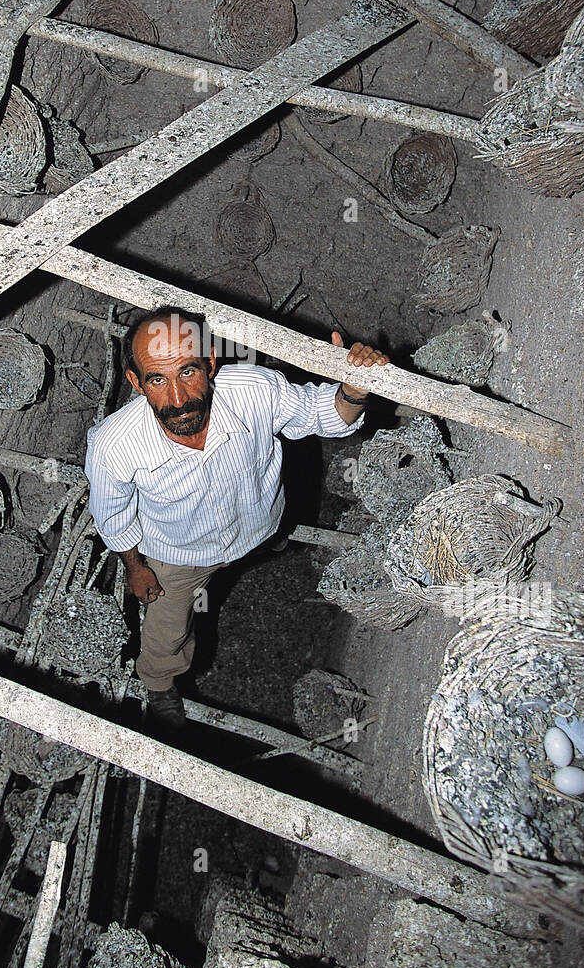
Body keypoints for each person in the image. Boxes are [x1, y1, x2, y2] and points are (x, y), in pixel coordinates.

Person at [84, 305, 389, 732]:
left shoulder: (252, 389)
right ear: (136, 383)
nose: (177, 398)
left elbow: (323, 414)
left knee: (273, 534)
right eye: (157, 379)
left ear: (211, 363)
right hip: (180, 555)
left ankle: (272, 543)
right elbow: (113, 517)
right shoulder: (113, 446)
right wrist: (135, 569)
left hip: (260, 522)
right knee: (166, 630)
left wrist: (355, 390)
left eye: (188, 371)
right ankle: (160, 683)